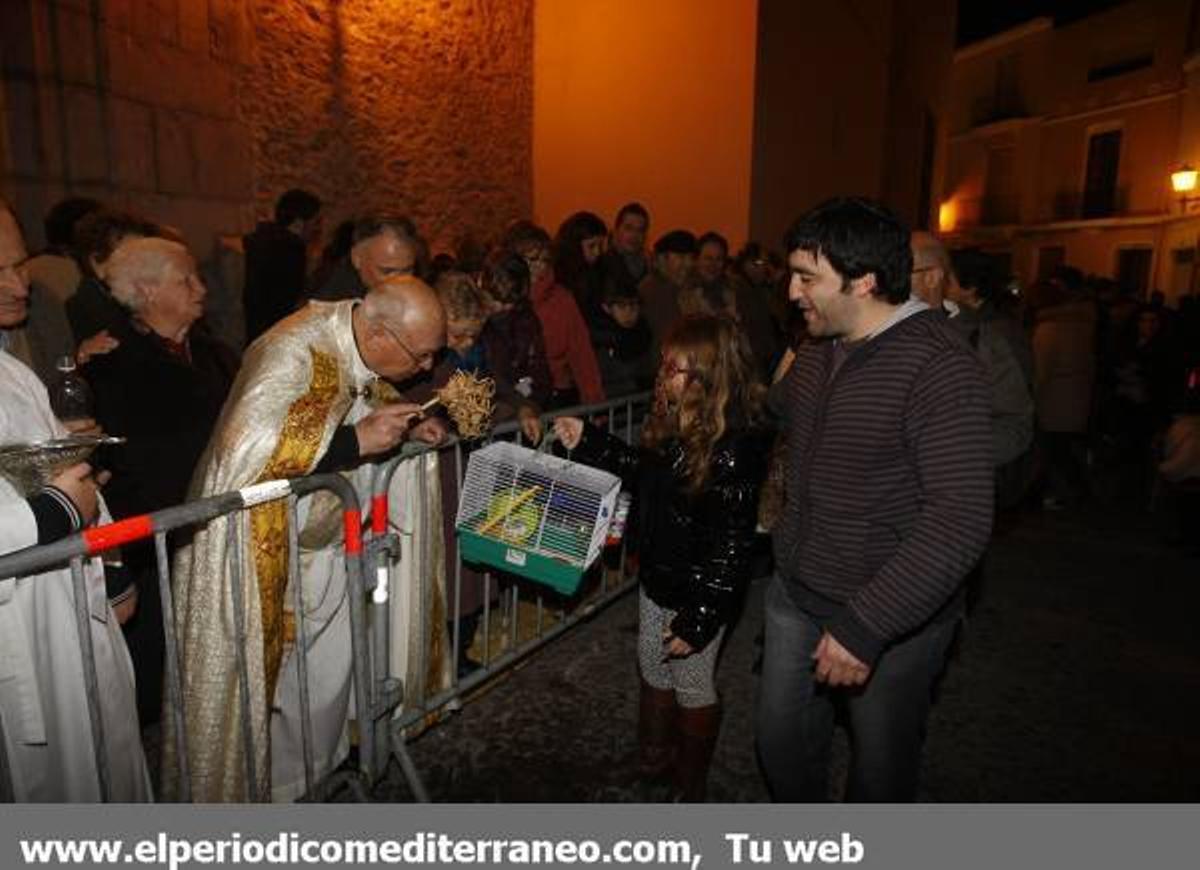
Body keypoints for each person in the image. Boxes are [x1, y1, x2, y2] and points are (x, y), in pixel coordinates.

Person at [163, 274, 447, 802]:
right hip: (256, 546)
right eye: (423, 355)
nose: (427, 368)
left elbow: (360, 398)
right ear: (383, 334)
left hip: (323, 546)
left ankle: (312, 784)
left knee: (321, 686)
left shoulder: (360, 341)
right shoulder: (291, 348)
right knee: (266, 692)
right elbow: (246, 447)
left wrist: (404, 426)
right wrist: (356, 441)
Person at [756, 197, 993, 802]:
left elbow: (959, 518)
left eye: (807, 277)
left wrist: (865, 627)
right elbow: (773, 412)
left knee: (880, 775)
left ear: (863, 281)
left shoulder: (940, 367)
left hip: (891, 622)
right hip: (796, 595)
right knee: (780, 745)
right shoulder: (818, 347)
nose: (791, 291)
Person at [554, 315, 770, 801]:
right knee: (652, 666)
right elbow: (641, 472)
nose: (662, 376)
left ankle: (688, 783)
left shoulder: (732, 450)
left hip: (698, 594)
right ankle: (654, 756)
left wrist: (699, 618)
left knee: (692, 683)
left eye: (676, 368)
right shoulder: (676, 423)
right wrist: (587, 439)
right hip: (658, 578)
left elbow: (732, 548)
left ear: (709, 378)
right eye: (666, 366)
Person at [0, 198, 150, 801]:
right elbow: (59, 500)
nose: (20, 284)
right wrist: (59, 512)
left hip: (66, 599)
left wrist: (111, 569)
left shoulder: (13, 371)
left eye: (20, 265)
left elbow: (67, 472)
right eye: (1, 270)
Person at [83, 237, 239, 726]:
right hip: (155, 538)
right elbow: (120, 459)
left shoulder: (214, 352)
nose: (200, 287)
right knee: (161, 660)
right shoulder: (110, 363)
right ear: (147, 291)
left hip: (219, 522)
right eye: (185, 279)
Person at [911, 233, 1034, 507]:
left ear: (931, 277)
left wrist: (951, 453)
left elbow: (1015, 424)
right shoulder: (873, 334)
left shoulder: (984, 341)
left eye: (898, 272)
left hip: (948, 504)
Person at [505, 222, 605, 408]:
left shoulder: (562, 299)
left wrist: (594, 401)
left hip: (555, 395)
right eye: (532, 260)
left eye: (544, 260)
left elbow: (582, 354)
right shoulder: (502, 300)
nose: (539, 267)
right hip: (511, 399)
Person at [243, 188, 322, 342]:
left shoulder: (262, 240)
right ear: (299, 222)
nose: (317, 228)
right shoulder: (290, 249)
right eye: (315, 222)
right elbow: (287, 303)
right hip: (272, 334)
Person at [309, 215, 421, 301]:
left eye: (407, 271)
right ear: (356, 258)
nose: (398, 282)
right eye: (387, 271)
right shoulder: (334, 308)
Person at [588, 277, 655, 398]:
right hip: (613, 404)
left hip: (641, 402)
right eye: (621, 306)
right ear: (607, 308)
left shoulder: (643, 334)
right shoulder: (600, 338)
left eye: (633, 306)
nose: (628, 313)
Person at [639, 230, 698, 346]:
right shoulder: (652, 290)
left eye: (691, 257)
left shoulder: (688, 286)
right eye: (681, 257)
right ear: (662, 259)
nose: (688, 264)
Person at [553, 210, 608, 317]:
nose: (597, 252)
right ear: (575, 245)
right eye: (591, 246)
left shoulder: (601, 268)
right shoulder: (561, 274)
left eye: (600, 246)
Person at [600, 202, 650, 292]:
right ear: (616, 230)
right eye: (628, 228)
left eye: (640, 230)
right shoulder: (602, 266)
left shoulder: (651, 267)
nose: (634, 235)